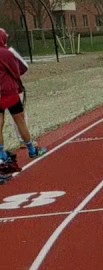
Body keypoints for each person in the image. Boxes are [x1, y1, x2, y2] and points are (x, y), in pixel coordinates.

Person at [0, 29, 45, 174]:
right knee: (20, 121)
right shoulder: (7, 53)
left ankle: (2, 156)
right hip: (10, 92)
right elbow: (18, 70)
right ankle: (31, 150)